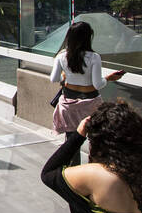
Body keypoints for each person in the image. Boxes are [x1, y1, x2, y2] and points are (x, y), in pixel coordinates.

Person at [50, 21, 126, 156]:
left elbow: (53, 79)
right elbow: (98, 84)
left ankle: (72, 173)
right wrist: (108, 78)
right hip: (90, 102)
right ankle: (92, 170)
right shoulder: (94, 57)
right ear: (87, 37)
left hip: (69, 104)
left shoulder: (61, 56)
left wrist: (64, 77)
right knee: (95, 140)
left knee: (72, 143)